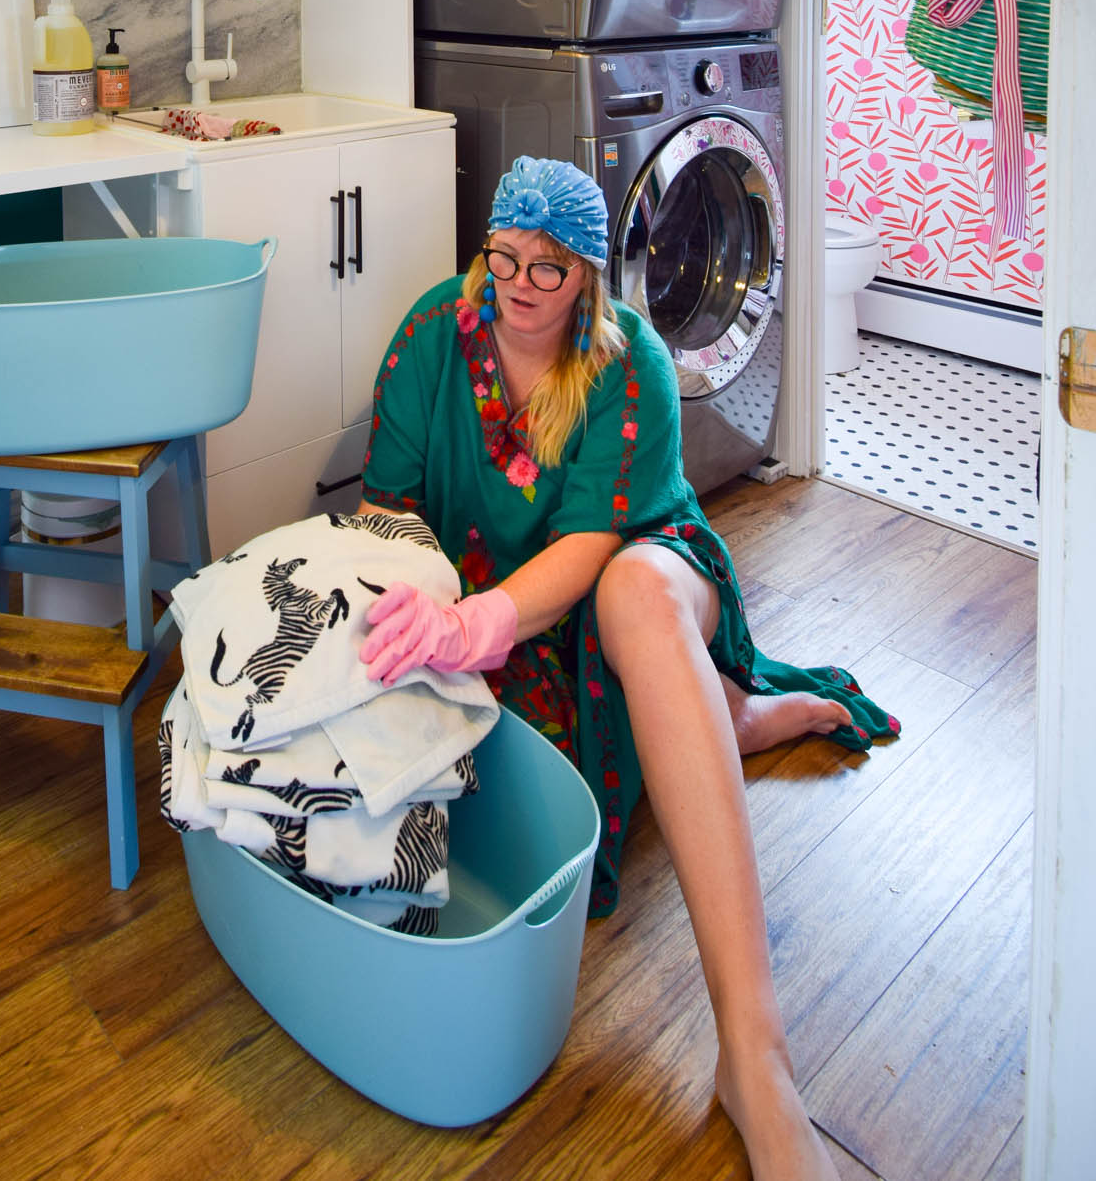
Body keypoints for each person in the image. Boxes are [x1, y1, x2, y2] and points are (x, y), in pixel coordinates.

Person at [356, 154, 896, 1181]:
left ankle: (756, 1057)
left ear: (590, 279)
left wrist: (486, 619)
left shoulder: (628, 360)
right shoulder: (434, 333)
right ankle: (740, 717)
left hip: (639, 565)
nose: (515, 285)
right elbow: (385, 503)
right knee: (619, 741)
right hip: (492, 597)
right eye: (500, 258)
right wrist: (417, 586)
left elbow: (597, 539)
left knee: (633, 608)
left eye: (546, 269)